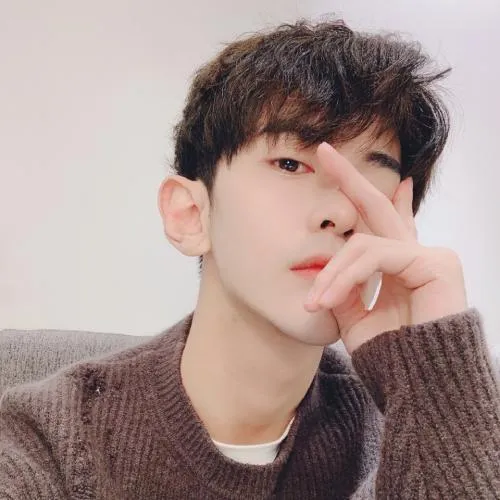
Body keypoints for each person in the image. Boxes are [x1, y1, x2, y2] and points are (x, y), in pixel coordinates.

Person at [1, 18, 499, 500]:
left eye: (371, 179)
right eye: (291, 164)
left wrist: (436, 382)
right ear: (190, 215)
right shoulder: (49, 442)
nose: (342, 212)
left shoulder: (424, 423)